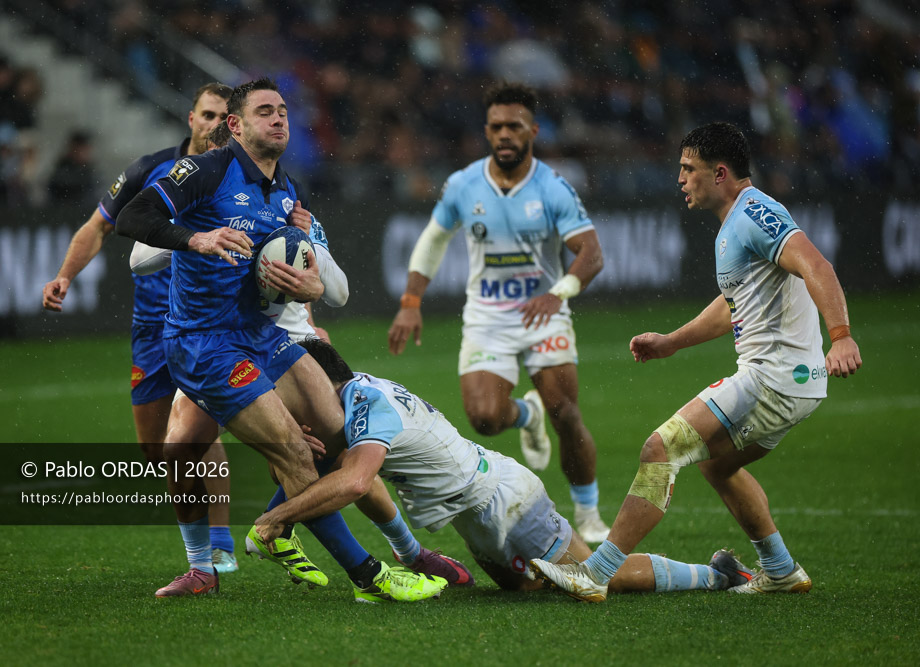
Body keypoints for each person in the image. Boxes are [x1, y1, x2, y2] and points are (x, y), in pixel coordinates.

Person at [115, 78, 447, 603]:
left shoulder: (288, 193)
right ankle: (369, 578)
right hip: (205, 344)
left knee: (336, 437)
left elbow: (309, 280)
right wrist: (196, 238)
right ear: (236, 125)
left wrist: (308, 282)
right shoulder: (206, 171)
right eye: (265, 112)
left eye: (284, 112)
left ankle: (275, 529)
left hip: (260, 334)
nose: (279, 120)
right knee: (286, 452)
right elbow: (132, 218)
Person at [531, 122, 863, 602]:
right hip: (794, 384)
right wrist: (672, 342)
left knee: (659, 448)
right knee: (715, 465)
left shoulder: (756, 212)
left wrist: (842, 337)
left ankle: (595, 573)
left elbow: (817, 266)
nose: (681, 179)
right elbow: (733, 303)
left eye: (689, 169)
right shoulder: (736, 226)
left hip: (771, 378)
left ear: (721, 173)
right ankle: (780, 568)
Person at [254, 339, 756, 599]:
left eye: (288, 390)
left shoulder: (366, 404)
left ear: (316, 381)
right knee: (531, 593)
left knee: (596, 579)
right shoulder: (355, 402)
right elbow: (352, 479)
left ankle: (716, 575)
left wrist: (277, 519)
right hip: (476, 513)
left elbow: (357, 482)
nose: (283, 401)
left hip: (504, 498)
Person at [388, 81, 609, 542]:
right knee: (485, 420)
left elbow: (591, 253)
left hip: (543, 312)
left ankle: (587, 514)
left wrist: (560, 291)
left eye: (514, 126)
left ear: (533, 130)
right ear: (486, 131)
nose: (504, 134)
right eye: (496, 127)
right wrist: (410, 303)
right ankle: (525, 416)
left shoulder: (552, 188)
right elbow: (432, 240)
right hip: (488, 317)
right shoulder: (465, 184)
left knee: (566, 413)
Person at [41, 83, 240, 573]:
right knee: (156, 449)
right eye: (208, 114)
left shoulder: (237, 178)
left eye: (224, 116)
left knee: (191, 434)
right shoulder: (149, 171)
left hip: (203, 326)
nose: (215, 124)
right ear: (191, 118)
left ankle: (218, 545)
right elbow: (97, 225)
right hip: (152, 329)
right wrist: (65, 275)